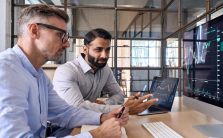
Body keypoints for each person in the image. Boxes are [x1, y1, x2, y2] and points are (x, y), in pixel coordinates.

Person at [0, 4, 129, 138]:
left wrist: (102, 117)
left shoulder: (39, 75)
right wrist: (97, 134)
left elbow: (64, 112)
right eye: (60, 34)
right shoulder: (6, 71)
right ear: (34, 31)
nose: (67, 44)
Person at [53, 28, 159, 115]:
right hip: (63, 128)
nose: (105, 55)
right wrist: (122, 109)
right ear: (85, 49)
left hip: (90, 121)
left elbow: (118, 94)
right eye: (98, 50)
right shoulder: (66, 71)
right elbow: (76, 107)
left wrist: (104, 105)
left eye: (107, 50)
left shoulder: (104, 68)